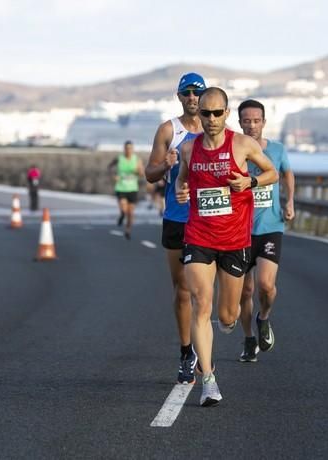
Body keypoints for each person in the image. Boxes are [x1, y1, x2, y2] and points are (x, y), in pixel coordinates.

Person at [175, 87, 278, 406]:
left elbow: (272, 172)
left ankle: (237, 323)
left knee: (228, 316)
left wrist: (251, 181)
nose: (211, 119)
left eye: (217, 113)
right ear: (199, 114)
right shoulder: (189, 149)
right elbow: (182, 179)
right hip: (199, 236)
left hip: (234, 240)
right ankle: (208, 379)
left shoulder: (243, 144)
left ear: (227, 113)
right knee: (200, 302)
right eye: (205, 113)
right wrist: (182, 191)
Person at [145, 72, 205, 385]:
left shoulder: (217, 131)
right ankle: (186, 353)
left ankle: (204, 350)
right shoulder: (170, 130)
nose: (192, 97)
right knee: (182, 290)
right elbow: (149, 174)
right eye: (187, 93)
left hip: (209, 221)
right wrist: (166, 164)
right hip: (177, 219)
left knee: (207, 296)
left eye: (198, 92)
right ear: (179, 97)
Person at [236, 99, 295, 362]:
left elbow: (287, 174)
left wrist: (289, 200)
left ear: (263, 122)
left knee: (266, 285)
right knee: (245, 291)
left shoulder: (278, 150)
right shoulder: (234, 150)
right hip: (239, 230)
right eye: (246, 121)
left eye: (256, 121)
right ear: (239, 123)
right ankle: (249, 339)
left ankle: (264, 317)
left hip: (270, 226)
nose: (251, 125)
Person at [108, 140, 144, 239]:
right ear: (124, 149)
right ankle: (122, 214)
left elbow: (141, 174)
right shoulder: (119, 158)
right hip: (121, 187)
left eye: (130, 148)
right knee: (124, 208)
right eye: (127, 148)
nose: (128, 150)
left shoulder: (137, 159)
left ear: (133, 149)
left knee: (131, 213)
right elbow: (109, 167)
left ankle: (128, 230)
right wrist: (113, 176)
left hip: (132, 188)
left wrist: (139, 171)